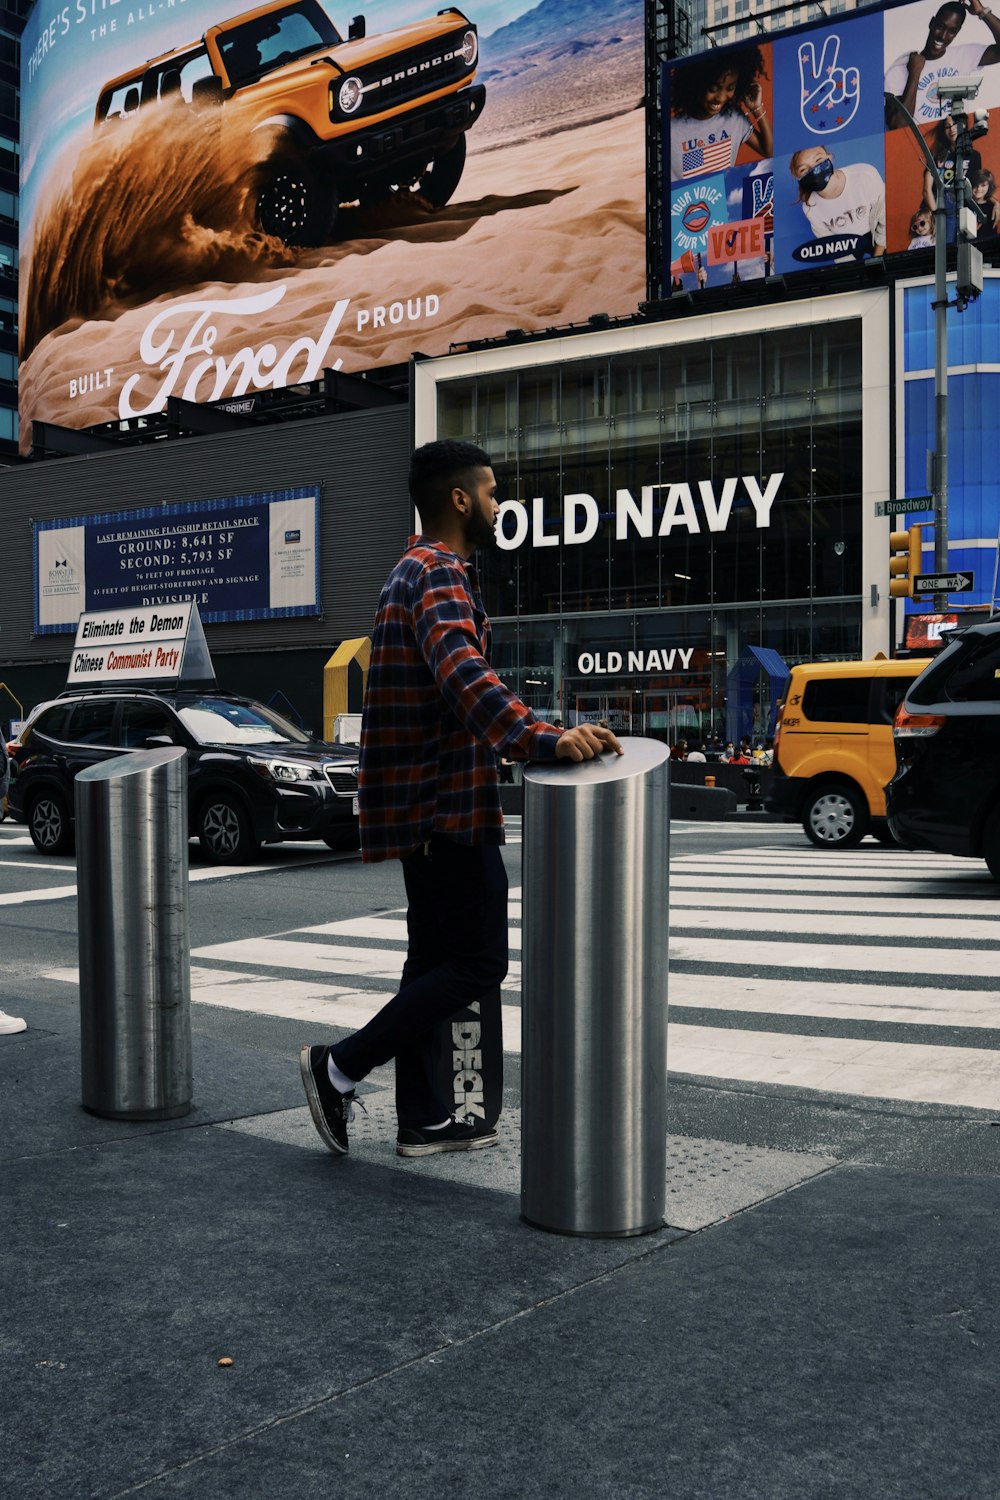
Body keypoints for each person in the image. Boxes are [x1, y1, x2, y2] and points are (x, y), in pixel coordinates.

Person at [299, 440, 623, 1160]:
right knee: (478, 964)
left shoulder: (405, 573)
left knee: (430, 966)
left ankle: (422, 1118)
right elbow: (462, 670)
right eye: (492, 492)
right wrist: (539, 736)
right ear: (459, 499)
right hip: (448, 806)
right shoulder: (439, 572)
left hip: (421, 807)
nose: (498, 504)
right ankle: (340, 1066)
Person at [885, 1, 1000, 129]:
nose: (943, 36)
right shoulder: (898, 71)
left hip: (955, 146)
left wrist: (982, 12)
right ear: (931, 23)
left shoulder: (964, 55)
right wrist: (914, 73)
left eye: (952, 31)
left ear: (957, 32)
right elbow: (899, 127)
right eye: (940, 26)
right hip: (920, 148)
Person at [670, 46, 772, 181]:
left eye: (730, 88)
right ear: (696, 83)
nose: (721, 97)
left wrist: (757, 108)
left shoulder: (734, 119)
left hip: (722, 200)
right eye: (713, 88)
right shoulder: (671, 131)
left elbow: (770, 151)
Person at [789, 147, 886, 260]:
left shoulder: (865, 176)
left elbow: (885, 219)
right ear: (799, 179)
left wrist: (877, 259)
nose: (814, 169)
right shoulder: (810, 208)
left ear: (829, 157)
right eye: (803, 169)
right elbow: (832, 245)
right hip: (847, 248)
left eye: (818, 160)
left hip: (877, 236)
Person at [971, 167, 1000, 236]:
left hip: (988, 243)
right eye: (976, 185)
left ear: (989, 186)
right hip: (968, 244)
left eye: (983, 185)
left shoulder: (992, 206)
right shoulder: (966, 204)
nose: (979, 188)